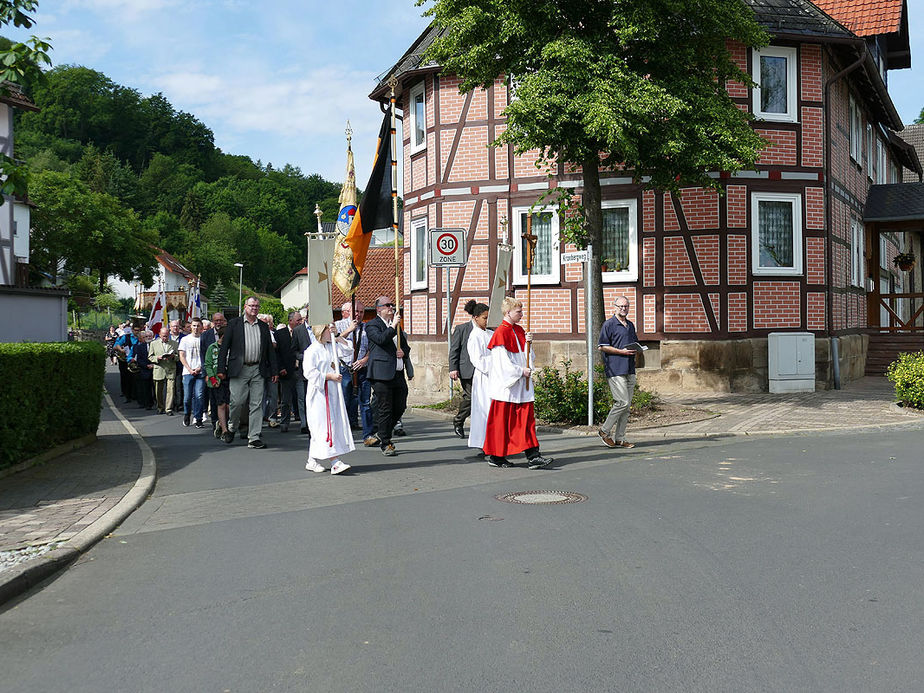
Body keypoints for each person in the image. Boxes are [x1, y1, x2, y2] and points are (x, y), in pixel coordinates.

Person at [482, 297, 553, 469]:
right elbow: (501, 363)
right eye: (518, 311)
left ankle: (533, 455)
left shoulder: (519, 331)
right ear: (508, 312)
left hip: (521, 386)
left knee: (526, 422)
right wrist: (521, 371)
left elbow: (527, 356)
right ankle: (497, 456)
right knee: (502, 424)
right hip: (508, 388)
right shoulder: (501, 333)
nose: (522, 314)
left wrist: (528, 343)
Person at [218, 296, 279, 450]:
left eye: (257, 306)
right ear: (245, 307)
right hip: (239, 369)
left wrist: (274, 370)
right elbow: (224, 348)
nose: (254, 308)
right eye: (251, 305)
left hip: (258, 369)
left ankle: (254, 437)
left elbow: (269, 350)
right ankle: (231, 426)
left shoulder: (263, 327)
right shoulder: (234, 324)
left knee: (256, 404)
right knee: (237, 402)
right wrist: (220, 369)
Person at [303, 324, 355, 474]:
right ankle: (335, 461)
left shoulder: (331, 346)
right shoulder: (311, 350)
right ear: (320, 331)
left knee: (328, 424)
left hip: (333, 391)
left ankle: (312, 460)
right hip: (319, 393)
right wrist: (328, 376)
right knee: (324, 425)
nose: (329, 332)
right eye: (327, 329)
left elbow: (348, 351)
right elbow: (309, 372)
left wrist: (337, 336)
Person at [365, 296, 411, 457]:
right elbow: (381, 339)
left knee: (400, 406)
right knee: (385, 408)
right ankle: (386, 442)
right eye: (387, 305)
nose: (391, 307)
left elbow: (405, 346)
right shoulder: (372, 325)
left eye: (392, 305)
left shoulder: (397, 327)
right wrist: (392, 326)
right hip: (381, 374)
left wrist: (403, 351)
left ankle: (382, 433)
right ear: (379, 309)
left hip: (397, 373)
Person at [597, 296, 639, 449]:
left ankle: (620, 438)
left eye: (626, 306)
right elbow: (602, 346)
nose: (623, 309)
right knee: (622, 402)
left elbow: (634, 343)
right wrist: (621, 352)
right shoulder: (609, 324)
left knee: (626, 407)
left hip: (629, 368)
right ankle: (604, 430)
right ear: (614, 307)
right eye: (620, 306)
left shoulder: (630, 325)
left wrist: (638, 349)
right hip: (615, 369)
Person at [465, 302, 493, 455]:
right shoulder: (474, 336)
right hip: (483, 377)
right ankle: (483, 442)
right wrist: (494, 362)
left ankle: (493, 441)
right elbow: (477, 360)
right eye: (484, 318)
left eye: (488, 318)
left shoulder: (490, 333)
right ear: (475, 318)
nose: (486, 321)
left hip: (494, 377)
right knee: (483, 410)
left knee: (492, 410)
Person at [449, 299, 478, 438]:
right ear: (475, 316)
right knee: (471, 397)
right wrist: (453, 368)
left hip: (482, 371)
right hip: (467, 369)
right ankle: (458, 421)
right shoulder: (462, 329)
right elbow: (454, 350)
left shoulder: (487, 330)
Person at [204, 326, 234, 443]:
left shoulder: (232, 348)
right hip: (217, 380)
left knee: (230, 406)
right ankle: (225, 430)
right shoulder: (213, 347)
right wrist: (212, 378)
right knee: (221, 405)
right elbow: (208, 364)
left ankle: (221, 423)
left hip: (230, 378)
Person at [200, 312, 227, 435]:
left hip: (226, 376)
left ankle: (224, 423)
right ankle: (215, 423)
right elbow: (204, 355)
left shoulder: (228, 333)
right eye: (216, 320)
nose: (218, 322)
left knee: (225, 401)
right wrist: (206, 374)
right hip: (212, 374)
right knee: (214, 399)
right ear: (212, 322)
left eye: (221, 320)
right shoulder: (206, 335)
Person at [274, 311, 302, 433]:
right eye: (298, 320)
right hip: (286, 372)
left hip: (300, 371)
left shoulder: (302, 332)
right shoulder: (280, 334)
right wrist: (280, 368)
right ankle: (284, 422)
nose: (300, 322)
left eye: (301, 319)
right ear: (290, 321)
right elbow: (277, 353)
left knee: (302, 398)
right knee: (286, 400)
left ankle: (305, 423)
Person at [178, 317, 206, 428]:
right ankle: (186, 414)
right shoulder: (185, 339)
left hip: (200, 371)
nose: (195, 328)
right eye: (193, 326)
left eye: (198, 326)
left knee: (199, 395)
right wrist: (189, 369)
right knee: (187, 397)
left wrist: (199, 368)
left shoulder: (203, 339)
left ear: (201, 327)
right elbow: (182, 356)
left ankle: (198, 418)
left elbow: (206, 356)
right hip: (187, 371)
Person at [149, 326, 178, 415]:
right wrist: (157, 358)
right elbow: (150, 356)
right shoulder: (153, 343)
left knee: (171, 389)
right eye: (163, 336)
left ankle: (168, 409)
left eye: (167, 336)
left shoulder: (174, 343)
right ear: (160, 335)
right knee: (158, 390)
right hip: (159, 368)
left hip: (170, 369)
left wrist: (173, 357)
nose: (165, 338)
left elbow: (179, 357)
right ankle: (160, 407)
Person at [113, 326, 139, 402]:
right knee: (127, 377)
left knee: (136, 378)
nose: (137, 332)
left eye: (138, 330)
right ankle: (127, 395)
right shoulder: (125, 337)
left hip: (136, 359)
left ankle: (135, 395)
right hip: (126, 360)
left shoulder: (140, 337)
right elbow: (116, 345)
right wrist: (121, 350)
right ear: (132, 330)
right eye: (135, 330)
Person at [132, 330, 155, 409]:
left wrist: (153, 365)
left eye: (149, 336)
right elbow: (139, 360)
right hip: (145, 370)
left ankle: (158, 403)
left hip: (155, 369)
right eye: (146, 336)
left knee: (156, 388)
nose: (148, 338)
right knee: (146, 388)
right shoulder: (140, 347)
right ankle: (148, 403)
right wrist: (146, 365)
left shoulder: (156, 345)